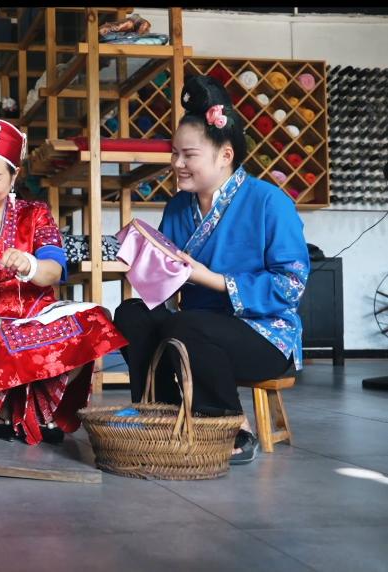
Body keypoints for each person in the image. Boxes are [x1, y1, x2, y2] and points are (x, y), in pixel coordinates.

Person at [112, 74, 310, 465]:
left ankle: (230, 425)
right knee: (132, 314)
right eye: (174, 154)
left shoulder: (269, 202)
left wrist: (213, 280)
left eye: (188, 155)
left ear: (225, 155)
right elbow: (170, 281)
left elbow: (290, 285)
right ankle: (162, 412)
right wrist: (143, 260)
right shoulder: (178, 207)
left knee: (187, 325)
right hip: (194, 329)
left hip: (264, 334)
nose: (177, 164)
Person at [0, 118, 128, 445]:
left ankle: (40, 410)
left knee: (96, 321)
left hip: (37, 313)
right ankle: (4, 411)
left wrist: (30, 265)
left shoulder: (35, 214)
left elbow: (53, 270)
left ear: (14, 176)